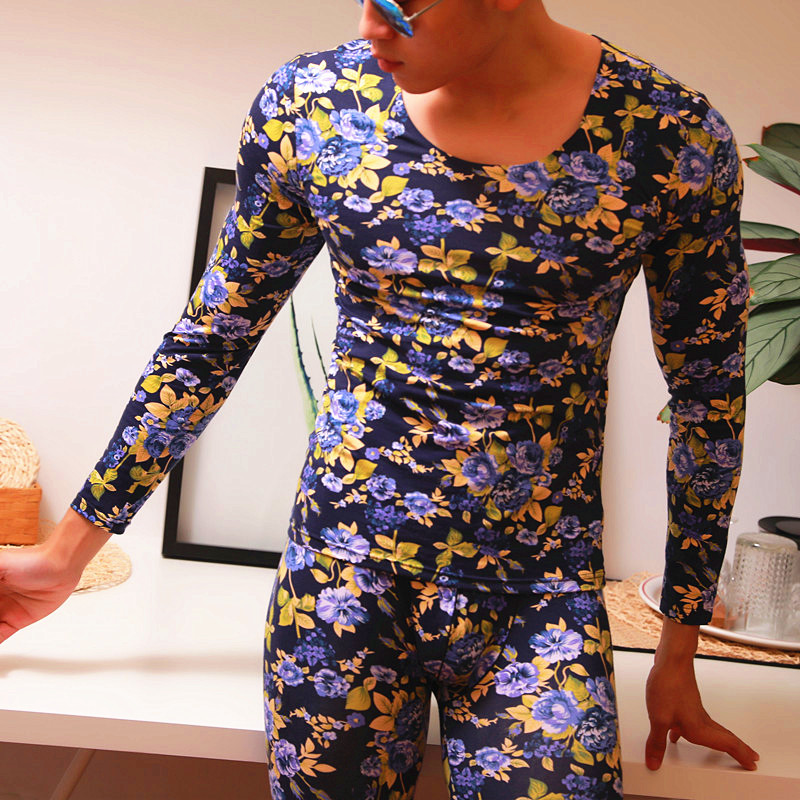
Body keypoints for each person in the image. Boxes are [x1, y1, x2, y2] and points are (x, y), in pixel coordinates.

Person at [0, 1, 760, 797]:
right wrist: (65, 555)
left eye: (401, 5)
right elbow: (210, 341)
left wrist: (679, 647)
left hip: (542, 596)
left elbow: (708, 395)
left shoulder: (669, 134)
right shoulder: (314, 104)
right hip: (339, 588)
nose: (371, 26)